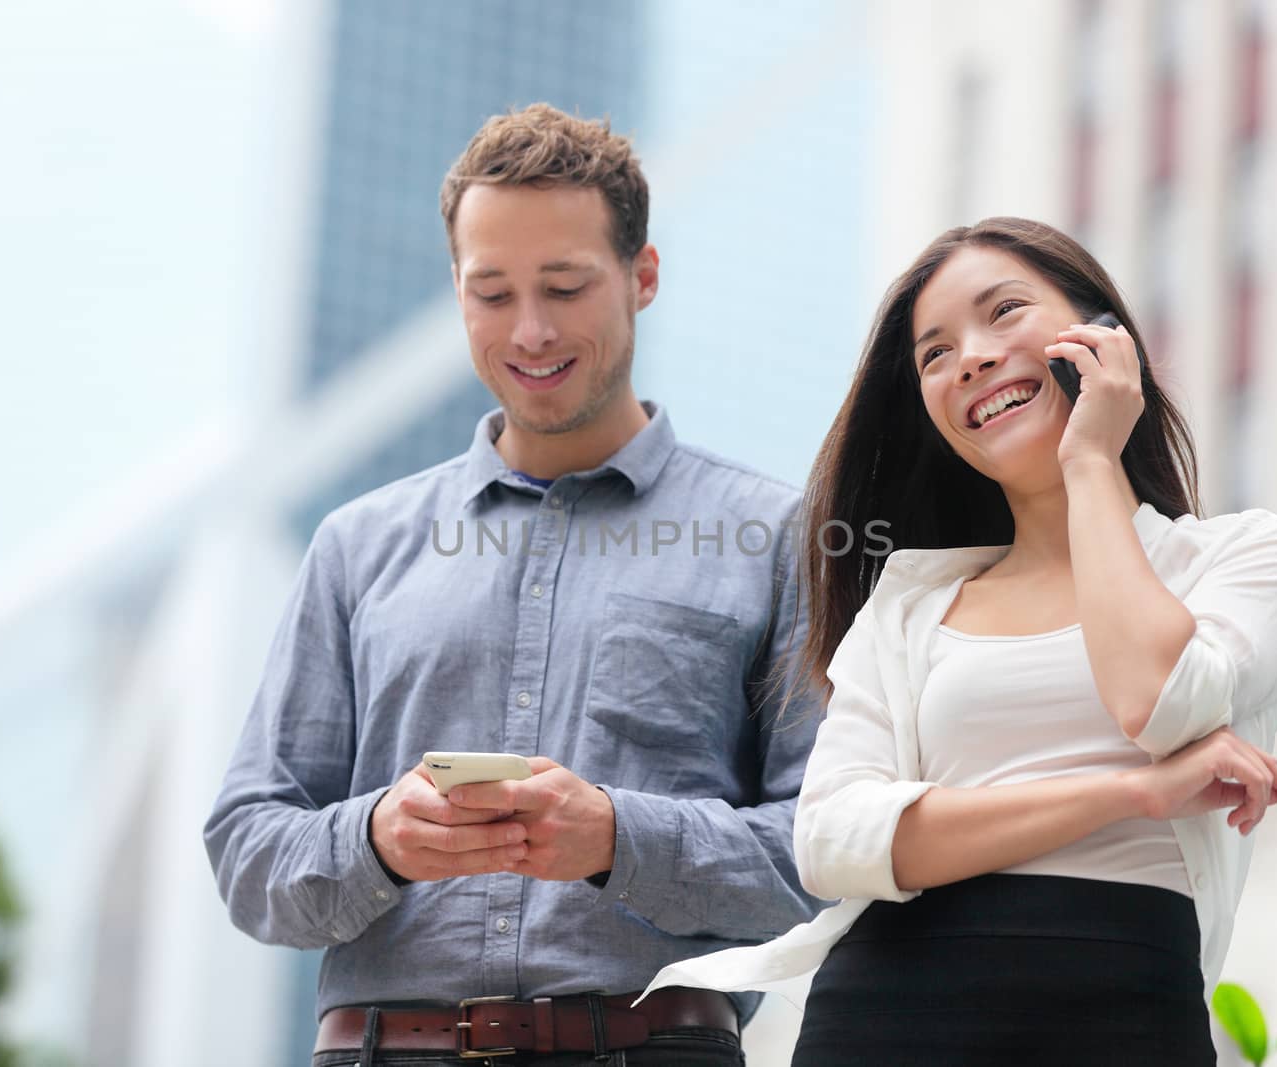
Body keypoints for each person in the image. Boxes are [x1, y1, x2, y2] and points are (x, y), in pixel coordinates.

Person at [204, 104, 823, 1067]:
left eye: (565, 286)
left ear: (642, 276)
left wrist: (622, 836)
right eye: (492, 292)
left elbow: (825, 850)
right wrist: (377, 838)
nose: (530, 331)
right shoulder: (355, 546)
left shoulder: (773, 538)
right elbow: (247, 851)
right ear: (456, 290)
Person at [643, 217, 1277, 1064]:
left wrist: (1089, 463)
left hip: (1124, 1006)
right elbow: (831, 838)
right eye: (934, 354)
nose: (968, 356)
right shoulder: (910, 603)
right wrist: (1132, 795)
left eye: (1004, 311)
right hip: (887, 1013)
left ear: (1103, 339)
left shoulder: (1250, 556)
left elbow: (1157, 700)